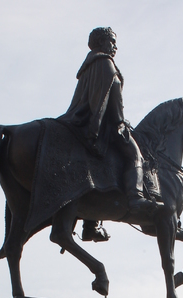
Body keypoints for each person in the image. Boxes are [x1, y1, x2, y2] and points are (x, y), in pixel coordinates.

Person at [59, 26, 160, 242]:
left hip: (88, 121)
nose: (115, 46)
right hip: (106, 125)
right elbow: (103, 102)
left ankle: (91, 224)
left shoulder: (88, 65)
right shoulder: (105, 63)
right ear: (101, 42)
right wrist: (115, 126)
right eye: (112, 41)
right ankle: (136, 197)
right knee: (135, 155)